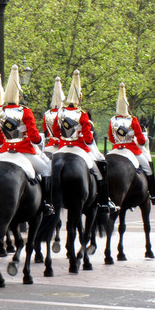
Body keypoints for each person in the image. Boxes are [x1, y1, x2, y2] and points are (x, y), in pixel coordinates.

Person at [52, 70, 119, 214]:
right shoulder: (82, 114)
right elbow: (88, 138)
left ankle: (48, 201)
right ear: (79, 98)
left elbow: (56, 132)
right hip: (79, 148)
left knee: (47, 171)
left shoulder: (60, 113)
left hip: (61, 149)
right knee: (100, 168)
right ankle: (104, 201)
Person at [0, 65, 54, 215]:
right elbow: (34, 137)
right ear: (19, 96)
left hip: (5, 152)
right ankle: (46, 203)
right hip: (25, 151)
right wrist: (40, 138)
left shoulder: (0, 113)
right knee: (46, 170)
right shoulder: (25, 112)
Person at [109, 82, 155, 205]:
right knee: (148, 169)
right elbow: (141, 140)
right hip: (132, 149)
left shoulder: (112, 120)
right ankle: (154, 195)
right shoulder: (132, 120)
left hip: (115, 149)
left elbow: (112, 139)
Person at [43, 77, 65, 157]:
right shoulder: (64, 113)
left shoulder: (47, 113)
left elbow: (45, 131)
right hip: (63, 145)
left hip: (50, 144)